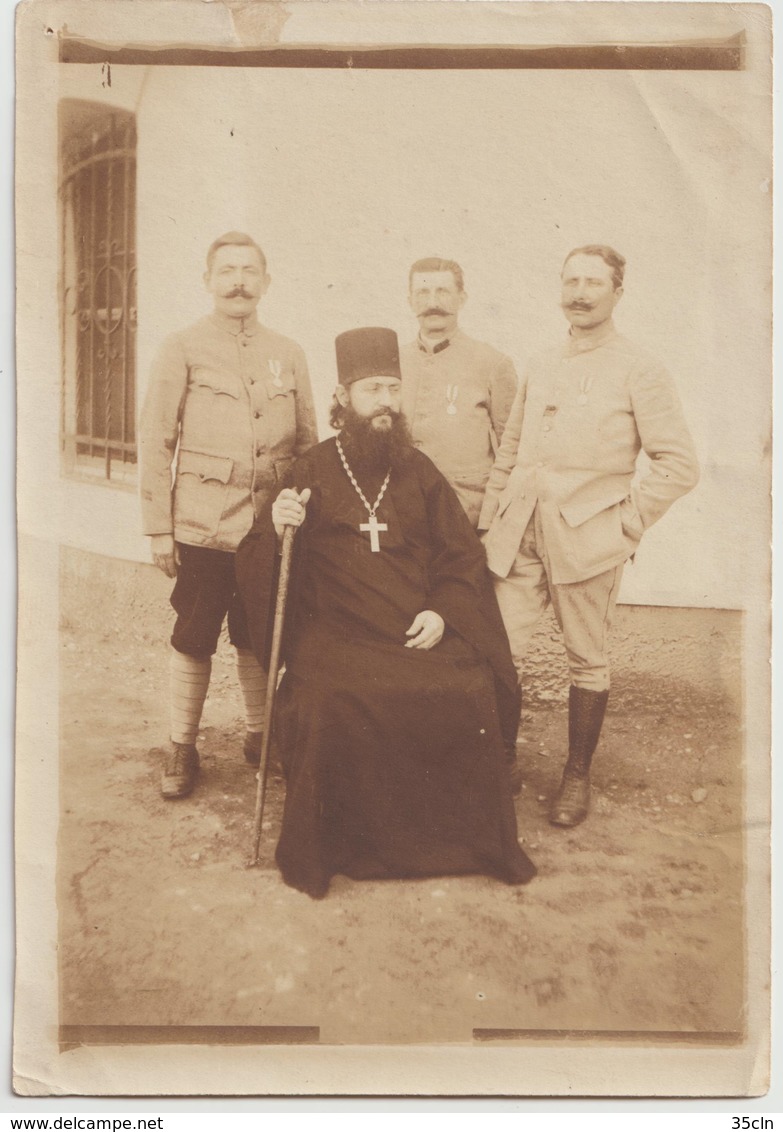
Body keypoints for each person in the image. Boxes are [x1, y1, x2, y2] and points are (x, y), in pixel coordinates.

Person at [235, 327, 536, 899]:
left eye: (394, 390)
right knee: (329, 699)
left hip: (412, 627)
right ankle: (336, 847)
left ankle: (461, 845)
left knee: (466, 686)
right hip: (337, 635)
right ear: (344, 398)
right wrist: (280, 529)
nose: (386, 403)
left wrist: (445, 613)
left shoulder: (418, 471)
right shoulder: (311, 469)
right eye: (373, 389)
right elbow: (261, 562)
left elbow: (461, 556)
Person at [479, 245, 700, 828]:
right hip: (520, 534)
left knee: (587, 660)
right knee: (498, 650)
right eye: (571, 281)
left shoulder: (640, 368)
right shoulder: (542, 360)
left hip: (588, 541)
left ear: (617, 293)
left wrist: (625, 524)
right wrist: (492, 521)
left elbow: (679, 465)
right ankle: (499, 763)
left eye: (594, 283)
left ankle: (576, 776)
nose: (580, 292)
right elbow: (510, 449)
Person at [139, 231, 318, 799]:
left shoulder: (287, 353)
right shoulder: (182, 347)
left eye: (249, 271)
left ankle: (260, 737)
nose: (238, 281)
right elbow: (156, 439)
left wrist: (302, 517)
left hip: (270, 528)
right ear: (208, 281)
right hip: (201, 525)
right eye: (227, 271)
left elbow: (309, 444)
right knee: (194, 633)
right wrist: (159, 527)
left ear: (266, 282)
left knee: (259, 633)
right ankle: (181, 746)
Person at [399, 257, 519, 527]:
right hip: (404, 513)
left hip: (466, 514)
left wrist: (492, 520)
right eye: (423, 293)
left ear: (462, 298)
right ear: (410, 301)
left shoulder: (492, 363)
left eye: (443, 291)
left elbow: (512, 451)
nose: (433, 303)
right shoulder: (394, 361)